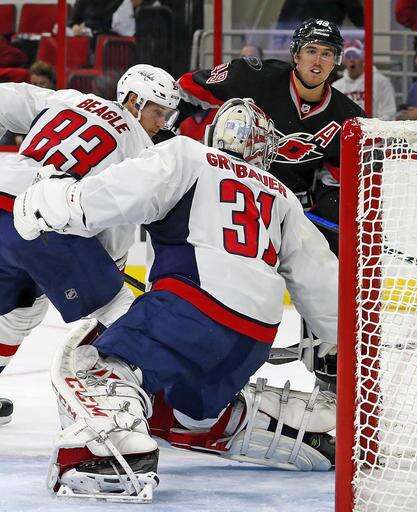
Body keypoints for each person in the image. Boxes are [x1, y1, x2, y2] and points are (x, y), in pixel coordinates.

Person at [13, 98, 338, 500]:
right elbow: (320, 280)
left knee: (95, 366)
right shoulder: (282, 194)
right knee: (186, 411)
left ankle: (111, 457)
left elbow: (120, 192)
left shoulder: (188, 154)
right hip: (253, 337)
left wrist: (58, 202)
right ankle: (279, 428)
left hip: (189, 309)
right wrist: (339, 340)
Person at [0, 64, 180, 425]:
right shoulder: (141, 150)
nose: (162, 123)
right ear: (134, 100)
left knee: (20, 311)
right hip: (50, 219)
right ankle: (167, 405)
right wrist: (111, 269)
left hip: (5, 193)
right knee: (118, 309)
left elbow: (8, 97)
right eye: (158, 112)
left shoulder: (68, 99)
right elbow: (117, 220)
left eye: (167, 114)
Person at [178, 18, 365, 255]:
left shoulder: (349, 118)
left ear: (336, 61)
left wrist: (332, 214)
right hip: (239, 205)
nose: (318, 61)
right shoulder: (256, 77)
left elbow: (337, 181)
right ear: (296, 55)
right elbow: (186, 89)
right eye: (311, 51)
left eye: (326, 54)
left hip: (297, 216)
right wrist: (164, 130)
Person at [332, 40, 396, 120]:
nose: (352, 60)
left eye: (355, 56)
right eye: (348, 56)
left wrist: (372, 126)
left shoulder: (380, 81)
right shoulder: (337, 87)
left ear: (363, 58)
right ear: (344, 60)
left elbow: (388, 112)